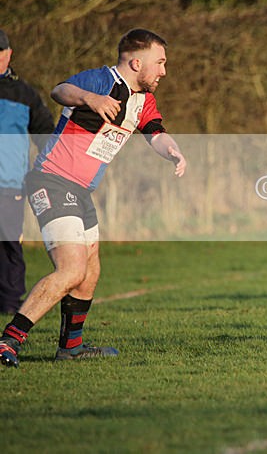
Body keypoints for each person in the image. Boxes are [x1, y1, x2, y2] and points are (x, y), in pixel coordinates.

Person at [0, 28, 187, 368]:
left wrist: (172, 150)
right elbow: (60, 90)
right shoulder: (102, 80)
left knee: (90, 273)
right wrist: (90, 99)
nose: (163, 71)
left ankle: (71, 347)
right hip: (52, 181)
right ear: (135, 62)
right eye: (159, 63)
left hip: (80, 191)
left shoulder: (144, 100)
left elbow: (154, 133)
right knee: (71, 270)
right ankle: (9, 340)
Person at [0, 29, 55, 314]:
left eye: (0, 52)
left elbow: (46, 135)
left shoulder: (25, 94)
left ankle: (9, 306)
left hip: (10, 185)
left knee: (9, 245)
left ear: (9, 54)